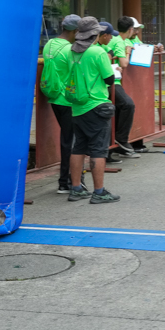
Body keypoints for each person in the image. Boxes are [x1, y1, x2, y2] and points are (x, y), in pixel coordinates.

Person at [59, 16, 120, 204]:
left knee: (78, 147)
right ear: (94, 34)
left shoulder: (71, 51)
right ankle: (99, 192)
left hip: (77, 105)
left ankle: (76, 188)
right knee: (98, 149)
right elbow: (110, 79)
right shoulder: (97, 52)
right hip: (96, 104)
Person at [43, 14, 83, 193]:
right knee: (72, 142)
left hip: (53, 97)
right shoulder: (70, 50)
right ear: (75, 30)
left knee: (67, 139)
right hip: (68, 99)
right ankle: (66, 182)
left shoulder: (49, 44)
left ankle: (65, 181)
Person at [103, 16, 142, 158]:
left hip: (108, 80)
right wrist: (127, 51)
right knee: (128, 105)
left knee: (117, 111)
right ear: (131, 30)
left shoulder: (114, 39)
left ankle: (113, 147)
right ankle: (121, 139)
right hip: (112, 81)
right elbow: (124, 64)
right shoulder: (119, 41)